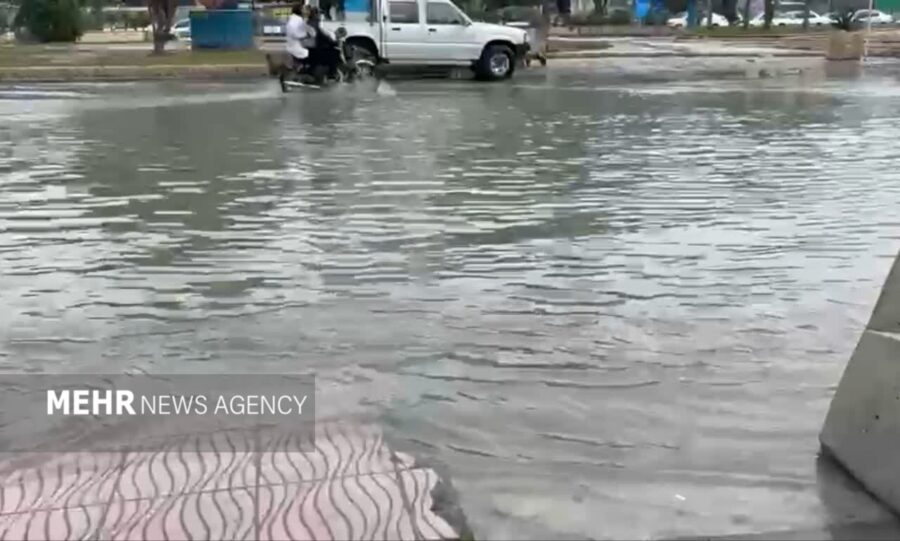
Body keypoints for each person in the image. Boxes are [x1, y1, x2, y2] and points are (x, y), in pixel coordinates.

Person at [305, 7, 342, 81]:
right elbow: (323, 36)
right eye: (319, 14)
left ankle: (316, 73)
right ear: (315, 15)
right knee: (334, 53)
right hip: (314, 50)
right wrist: (334, 43)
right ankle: (332, 74)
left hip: (310, 48)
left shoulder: (309, 23)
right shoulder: (315, 24)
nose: (321, 16)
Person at [284, 1, 311, 66]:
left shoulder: (292, 18)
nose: (303, 11)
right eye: (302, 9)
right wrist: (306, 35)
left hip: (291, 45)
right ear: (299, 10)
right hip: (297, 47)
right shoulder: (298, 19)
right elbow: (298, 33)